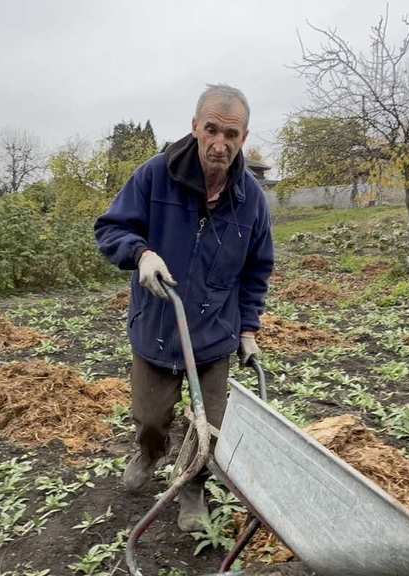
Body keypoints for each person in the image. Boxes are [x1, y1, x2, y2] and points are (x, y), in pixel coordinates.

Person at [94, 84, 275, 532]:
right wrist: (141, 254)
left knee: (207, 427)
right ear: (195, 127)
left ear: (243, 138)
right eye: (211, 129)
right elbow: (110, 228)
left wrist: (248, 330)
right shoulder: (154, 177)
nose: (220, 143)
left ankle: (192, 488)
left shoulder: (250, 200)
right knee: (152, 418)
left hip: (214, 336)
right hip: (158, 327)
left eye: (230, 134)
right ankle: (150, 452)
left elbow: (257, 270)